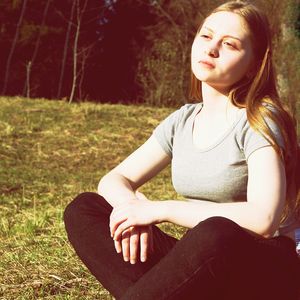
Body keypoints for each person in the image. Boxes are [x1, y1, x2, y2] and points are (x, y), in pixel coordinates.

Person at [64, 1, 300, 299]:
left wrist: (160, 210)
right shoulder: (183, 120)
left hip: (266, 269)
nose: (211, 48)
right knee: (85, 208)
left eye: (229, 44)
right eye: (206, 36)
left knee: (215, 232)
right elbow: (115, 179)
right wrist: (132, 211)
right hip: (205, 260)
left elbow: (263, 220)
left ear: (254, 64)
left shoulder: (259, 118)